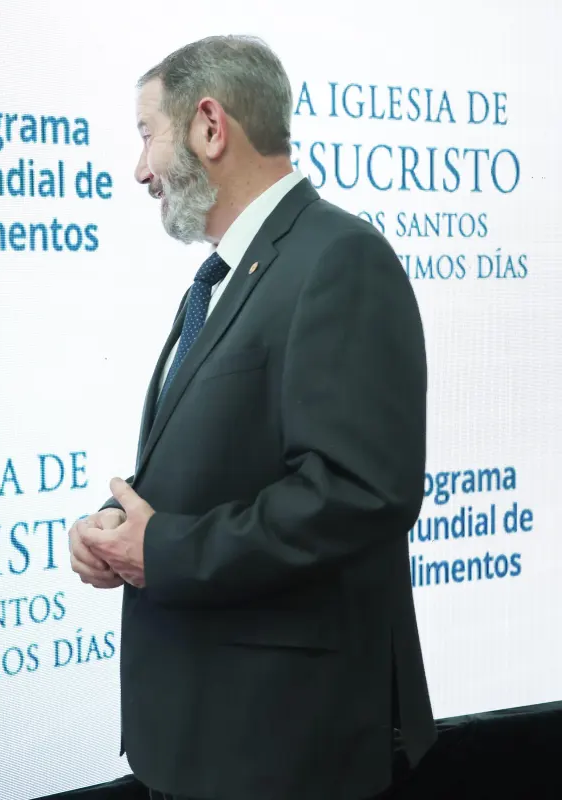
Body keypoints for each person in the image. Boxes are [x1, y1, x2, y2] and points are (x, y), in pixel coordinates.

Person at [67, 35, 437, 800]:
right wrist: (120, 526)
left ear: (209, 125)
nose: (139, 169)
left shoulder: (339, 259)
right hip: (209, 736)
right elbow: (225, 461)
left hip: (280, 748)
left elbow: (359, 492)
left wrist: (163, 548)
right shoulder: (227, 275)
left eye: (146, 134)